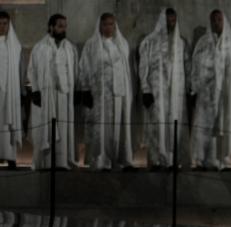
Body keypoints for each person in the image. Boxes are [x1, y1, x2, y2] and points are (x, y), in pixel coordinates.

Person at [78, 13, 135, 170]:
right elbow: (84, 67)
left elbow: (127, 69)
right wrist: (85, 88)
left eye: (111, 24)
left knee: (119, 125)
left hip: (119, 92)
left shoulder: (122, 43)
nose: (109, 27)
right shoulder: (92, 45)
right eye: (105, 24)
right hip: (100, 94)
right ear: (100, 25)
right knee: (102, 126)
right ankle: (101, 160)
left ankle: (120, 158)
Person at [139, 8, 190, 170]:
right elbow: (144, 66)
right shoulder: (149, 41)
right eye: (168, 20)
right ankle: (156, 160)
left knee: (174, 124)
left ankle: (173, 160)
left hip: (176, 91)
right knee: (158, 125)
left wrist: (189, 88)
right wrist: (145, 89)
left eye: (173, 20)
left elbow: (186, 66)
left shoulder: (181, 43)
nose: (171, 24)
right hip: (157, 90)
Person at [189, 9, 231, 170]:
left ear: (224, 21)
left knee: (222, 125)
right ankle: (200, 159)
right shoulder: (203, 43)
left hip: (224, 93)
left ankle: (222, 159)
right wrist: (194, 89)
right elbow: (195, 67)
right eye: (213, 20)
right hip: (206, 93)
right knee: (203, 125)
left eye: (219, 20)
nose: (216, 23)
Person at [28, 14, 77, 170]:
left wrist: (73, 90)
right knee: (46, 127)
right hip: (45, 94)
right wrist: (35, 90)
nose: (63, 29)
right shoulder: (40, 47)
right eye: (60, 26)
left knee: (62, 127)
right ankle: (45, 163)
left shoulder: (69, 48)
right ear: (51, 27)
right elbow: (32, 70)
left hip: (63, 94)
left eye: (65, 26)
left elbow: (74, 71)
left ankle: (61, 162)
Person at [0, 11, 22, 169]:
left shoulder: (15, 46)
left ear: (9, 25)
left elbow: (19, 69)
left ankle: (10, 157)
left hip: (9, 91)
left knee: (8, 125)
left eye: (5, 23)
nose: (2, 27)